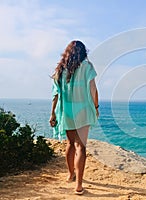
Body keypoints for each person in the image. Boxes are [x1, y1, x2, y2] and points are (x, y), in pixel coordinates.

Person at [49, 40, 99, 195]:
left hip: (67, 111)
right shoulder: (87, 67)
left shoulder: (60, 69)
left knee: (70, 143)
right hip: (83, 111)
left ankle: (71, 174)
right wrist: (96, 107)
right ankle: (78, 185)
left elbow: (55, 94)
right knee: (81, 146)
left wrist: (52, 114)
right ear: (83, 52)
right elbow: (93, 90)